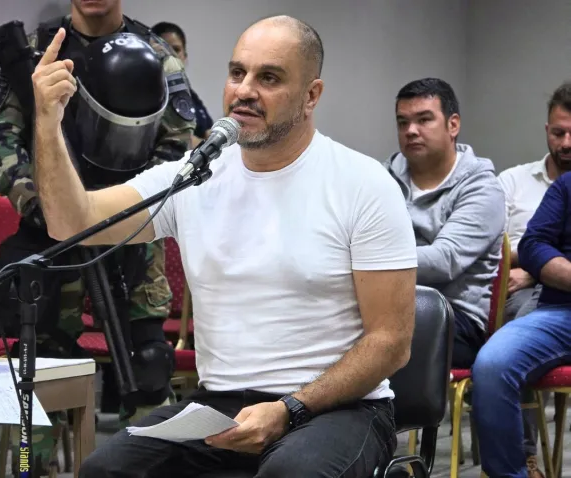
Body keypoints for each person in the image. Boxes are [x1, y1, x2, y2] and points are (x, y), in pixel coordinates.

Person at [33, 15, 418, 477]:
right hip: (220, 406)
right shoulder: (194, 176)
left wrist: (290, 408)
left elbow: (391, 343)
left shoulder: (363, 184)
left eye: (269, 78)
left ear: (311, 96)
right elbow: (71, 223)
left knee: (290, 474)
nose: (244, 90)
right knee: (104, 471)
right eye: (237, 73)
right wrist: (48, 122)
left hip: (338, 408)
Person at [0, 0, 196, 472]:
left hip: (130, 234)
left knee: (147, 363)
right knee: (42, 372)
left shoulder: (156, 57)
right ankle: (32, 467)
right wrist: (47, 207)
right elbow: (6, 145)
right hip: (49, 238)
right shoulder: (36, 53)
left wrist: (111, 210)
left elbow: (175, 151)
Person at [471, 82, 571, 478]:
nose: (566, 143)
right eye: (559, 132)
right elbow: (534, 243)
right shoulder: (564, 187)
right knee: (492, 364)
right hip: (560, 312)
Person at [383, 78, 505, 370]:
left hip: (452, 315)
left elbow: (443, 260)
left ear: (453, 125)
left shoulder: (482, 188)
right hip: (384, 300)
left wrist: (366, 259)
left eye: (424, 119)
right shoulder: (381, 178)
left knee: (376, 336)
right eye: (403, 122)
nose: (411, 130)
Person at [152, 21, 214, 144]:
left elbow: (209, 133)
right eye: (164, 49)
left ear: (185, 56)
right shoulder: (148, 96)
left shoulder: (189, 93)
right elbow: (181, 140)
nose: (171, 55)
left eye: (176, 49)